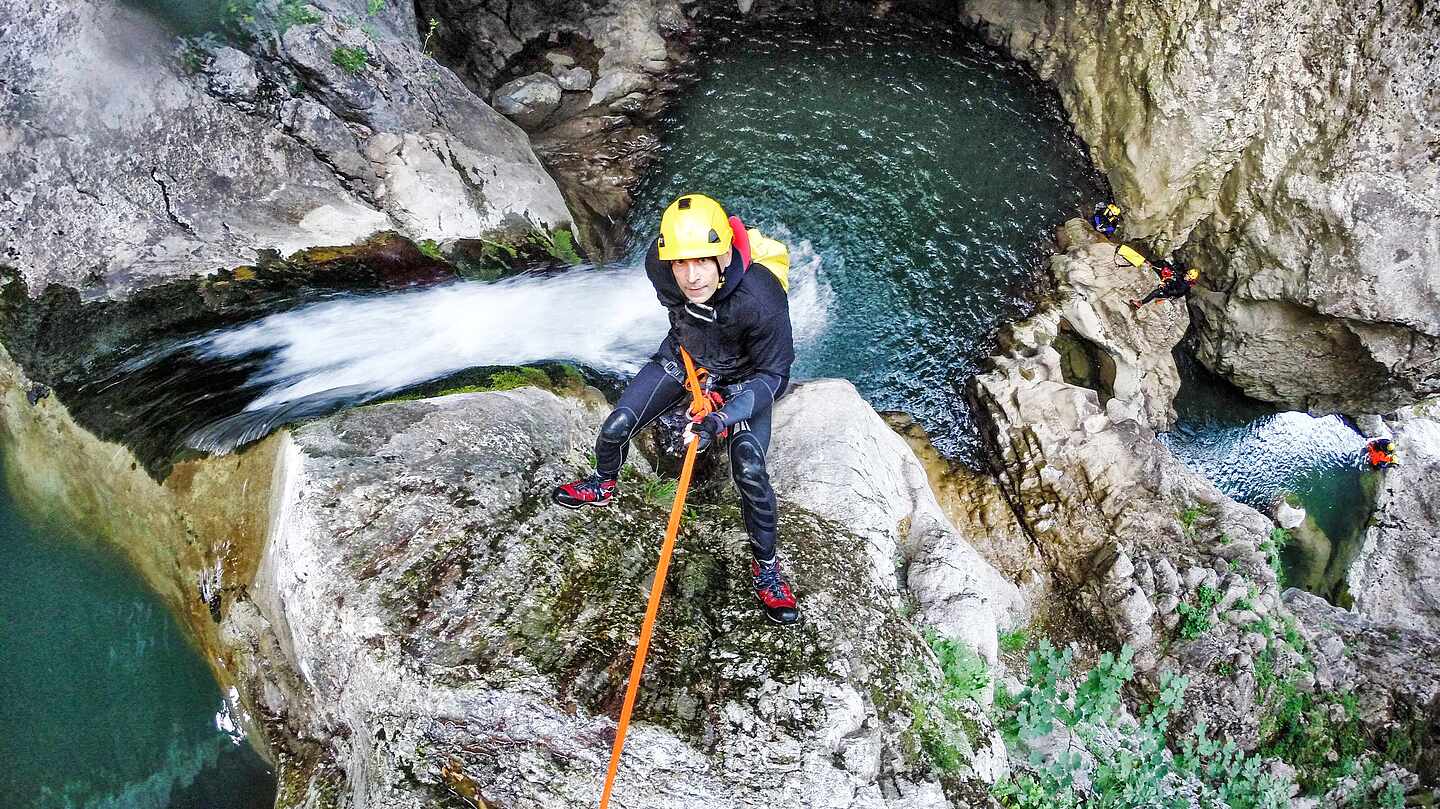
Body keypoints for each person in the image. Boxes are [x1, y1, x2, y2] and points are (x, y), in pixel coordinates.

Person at [552, 193, 801, 625]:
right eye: (681, 263)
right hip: (688, 356)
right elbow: (680, 314)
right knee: (616, 427)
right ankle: (604, 483)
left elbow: (773, 378)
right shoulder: (658, 266)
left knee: (750, 469)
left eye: (702, 261)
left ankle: (767, 569)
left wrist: (720, 415)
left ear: (723, 255)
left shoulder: (761, 298)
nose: (691, 275)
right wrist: (698, 375)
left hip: (745, 374)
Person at [1129, 261, 1199, 309]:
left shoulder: (1184, 286)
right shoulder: (1183, 278)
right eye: (1187, 274)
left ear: (1190, 279)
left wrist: (1163, 288)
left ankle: (1140, 303)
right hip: (1171, 285)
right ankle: (1152, 265)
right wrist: (1172, 273)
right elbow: (1177, 275)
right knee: (1166, 271)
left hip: (1170, 293)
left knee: (1156, 292)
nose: (1186, 276)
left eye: (1188, 276)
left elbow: (1173, 292)